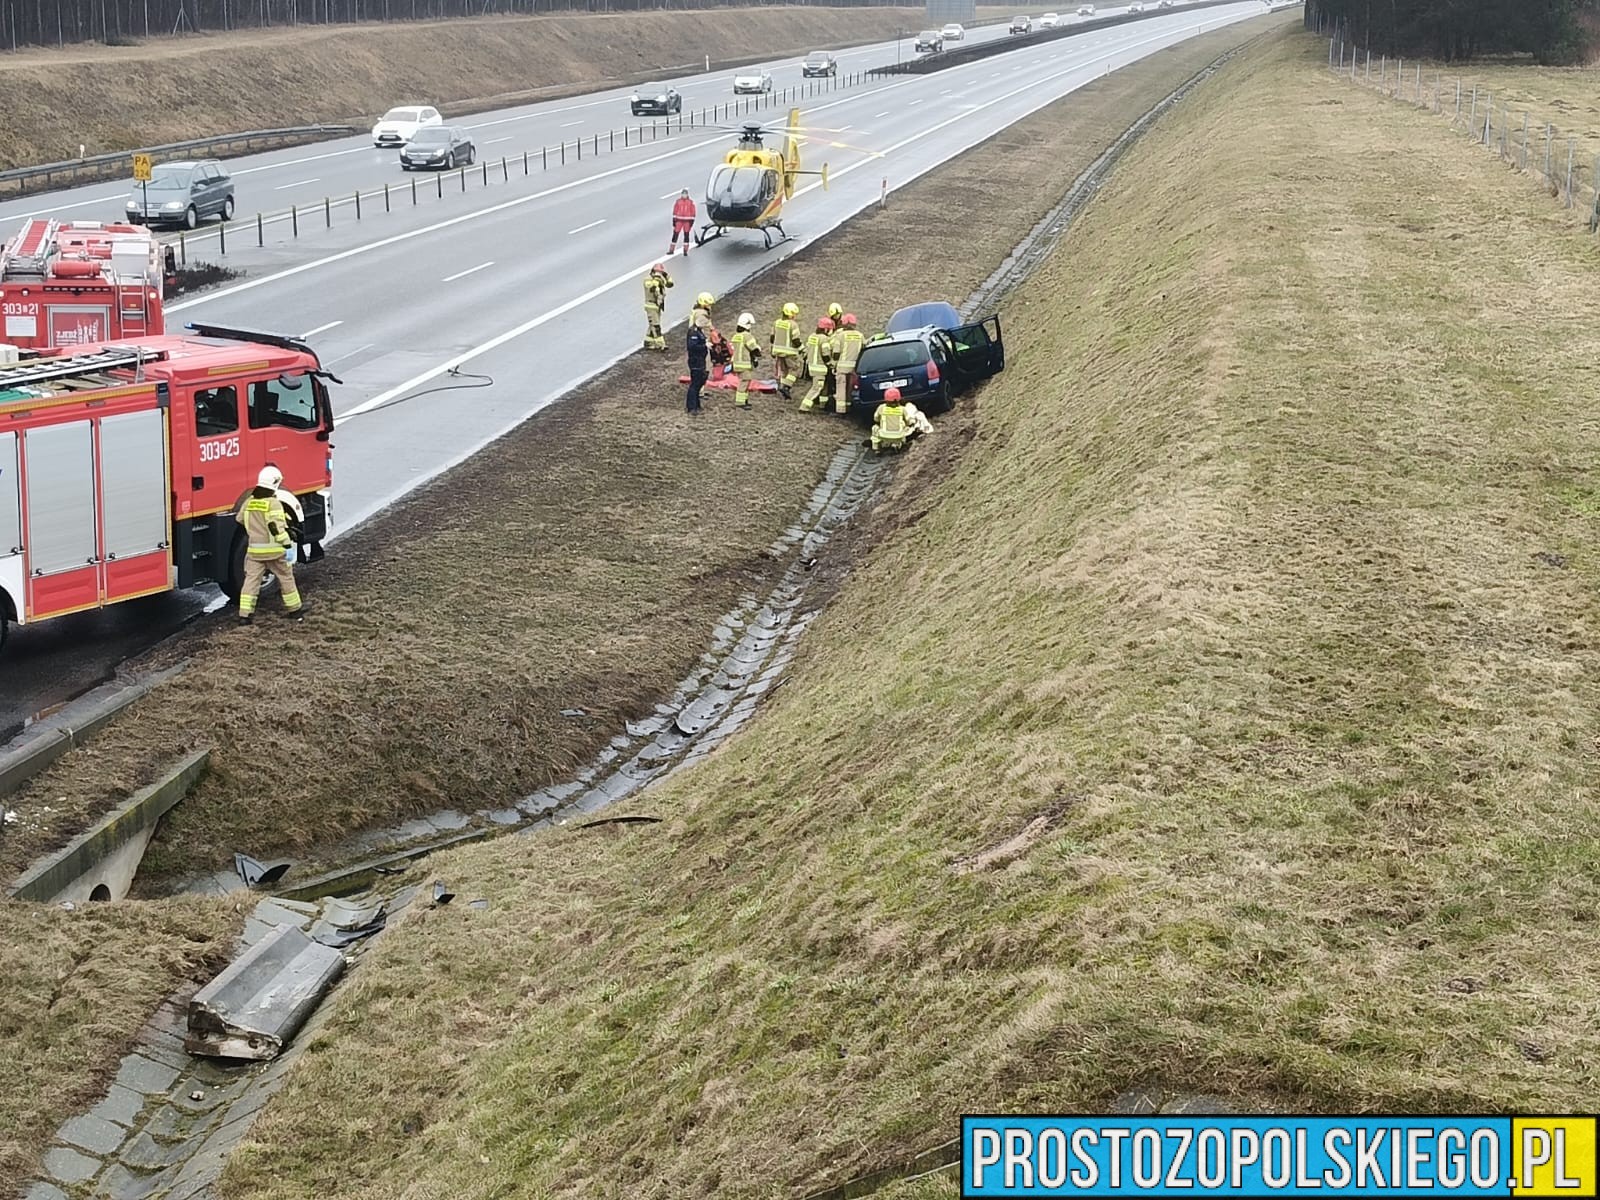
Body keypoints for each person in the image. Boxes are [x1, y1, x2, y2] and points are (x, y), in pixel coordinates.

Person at [236, 465, 306, 623]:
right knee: (286, 578)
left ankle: (245, 616)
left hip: (254, 552)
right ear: (274, 483)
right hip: (274, 552)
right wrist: (288, 545)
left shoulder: (249, 502)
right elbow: (276, 528)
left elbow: (239, 519)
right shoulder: (273, 503)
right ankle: (295, 611)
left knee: (251, 581)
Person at [830, 311, 864, 415]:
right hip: (854, 367)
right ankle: (849, 408)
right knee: (850, 388)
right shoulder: (860, 335)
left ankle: (840, 410)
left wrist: (834, 364)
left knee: (841, 388)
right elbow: (864, 349)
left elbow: (836, 353)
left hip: (842, 366)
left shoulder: (840, 336)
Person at [799, 316, 835, 411]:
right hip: (820, 368)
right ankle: (804, 406)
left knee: (823, 387)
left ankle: (823, 405)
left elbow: (806, 350)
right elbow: (825, 354)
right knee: (817, 387)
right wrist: (830, 364)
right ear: (826, 329)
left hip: (812, 366)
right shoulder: (824, 339)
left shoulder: (812, 337)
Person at [730, 312, 761, 409]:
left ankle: (744, 400)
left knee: (744, 381)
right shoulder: (747, 336)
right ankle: (740, 402)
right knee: (745, 381)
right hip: (744, 363)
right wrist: (758, 353)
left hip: (736, 363)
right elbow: (753, 347)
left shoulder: (736, 336)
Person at [770, 302, 801, 398]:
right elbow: (796, 340)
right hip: (790, 352)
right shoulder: (793, 325)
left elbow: (772, 338)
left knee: (783, 371)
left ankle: (783, 389)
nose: (795, 316)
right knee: (795, 369)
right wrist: (802, 349)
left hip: (778, 352)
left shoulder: (776, 323)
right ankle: (786, 387)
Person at [870, 386, 915, 453]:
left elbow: (876, 418)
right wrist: (910, 423)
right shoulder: (902, 409)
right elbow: (909, 421)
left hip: (884, 435)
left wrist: (879, 421)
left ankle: (876, 448)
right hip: (898, 435)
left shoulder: (881, 408)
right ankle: (897, 444)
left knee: (874, 428)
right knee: (903, 426)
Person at [643, 263, 672, 351]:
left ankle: (648, 342)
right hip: (651, 305)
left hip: (658, 305)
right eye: (657, 272)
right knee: (656, 326)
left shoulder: (660, 279)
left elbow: (670, 284)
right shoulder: (647, 280)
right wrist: (656, 280)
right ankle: (660, 344)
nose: (659, 274)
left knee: (652, 324)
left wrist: (665, 275)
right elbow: (651, 288)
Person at [685, 321, 709, 415]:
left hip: (700, 360)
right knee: (695, 384)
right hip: (696, 361)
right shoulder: (693, 332)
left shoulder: (698, 331)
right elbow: (692, 346)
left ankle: (696, 405)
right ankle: (691, 407)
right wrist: (705, 346)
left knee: (699, 382)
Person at [670, 189, 696, 256]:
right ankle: (671, 250)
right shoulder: (678, 202)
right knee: (675, 234)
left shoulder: (690, 202)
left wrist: (692, 221)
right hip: (679, 220)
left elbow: (693, 212)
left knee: (686, 235)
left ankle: (685, 250)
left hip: (687, 221)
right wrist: (674, 220)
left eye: (685, 194)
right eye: (683, 194)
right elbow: (675, 211)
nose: (684, 195)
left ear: (687, 195)